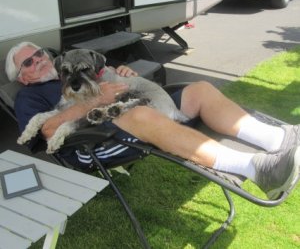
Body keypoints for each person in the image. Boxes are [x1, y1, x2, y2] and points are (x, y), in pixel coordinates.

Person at [5, 41, 300, 200]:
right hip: (92, 141)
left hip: (127, 106)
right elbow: (46, 130)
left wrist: (122, 76)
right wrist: (98, 100)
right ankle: (257, 169)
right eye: (27, 62)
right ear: (22, 77)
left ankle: (279, 139)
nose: (39, 60)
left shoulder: (72, 64)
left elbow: (109, 81)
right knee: (142, 114)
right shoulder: (28, 99)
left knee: (199, 90)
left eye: (40, 53)